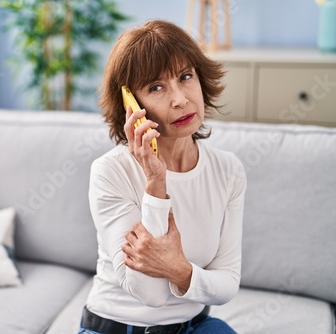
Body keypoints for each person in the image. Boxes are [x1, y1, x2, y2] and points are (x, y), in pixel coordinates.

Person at [79, 20, 247, 334]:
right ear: (131, 105)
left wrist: (178, 269)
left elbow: (227, 284)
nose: (180, 99)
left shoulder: (229, 170)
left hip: (194, 326)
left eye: (186, 77)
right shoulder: (110, 172)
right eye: (156, 87)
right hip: (117, 328)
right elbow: (151, 295)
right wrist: (155, 183)